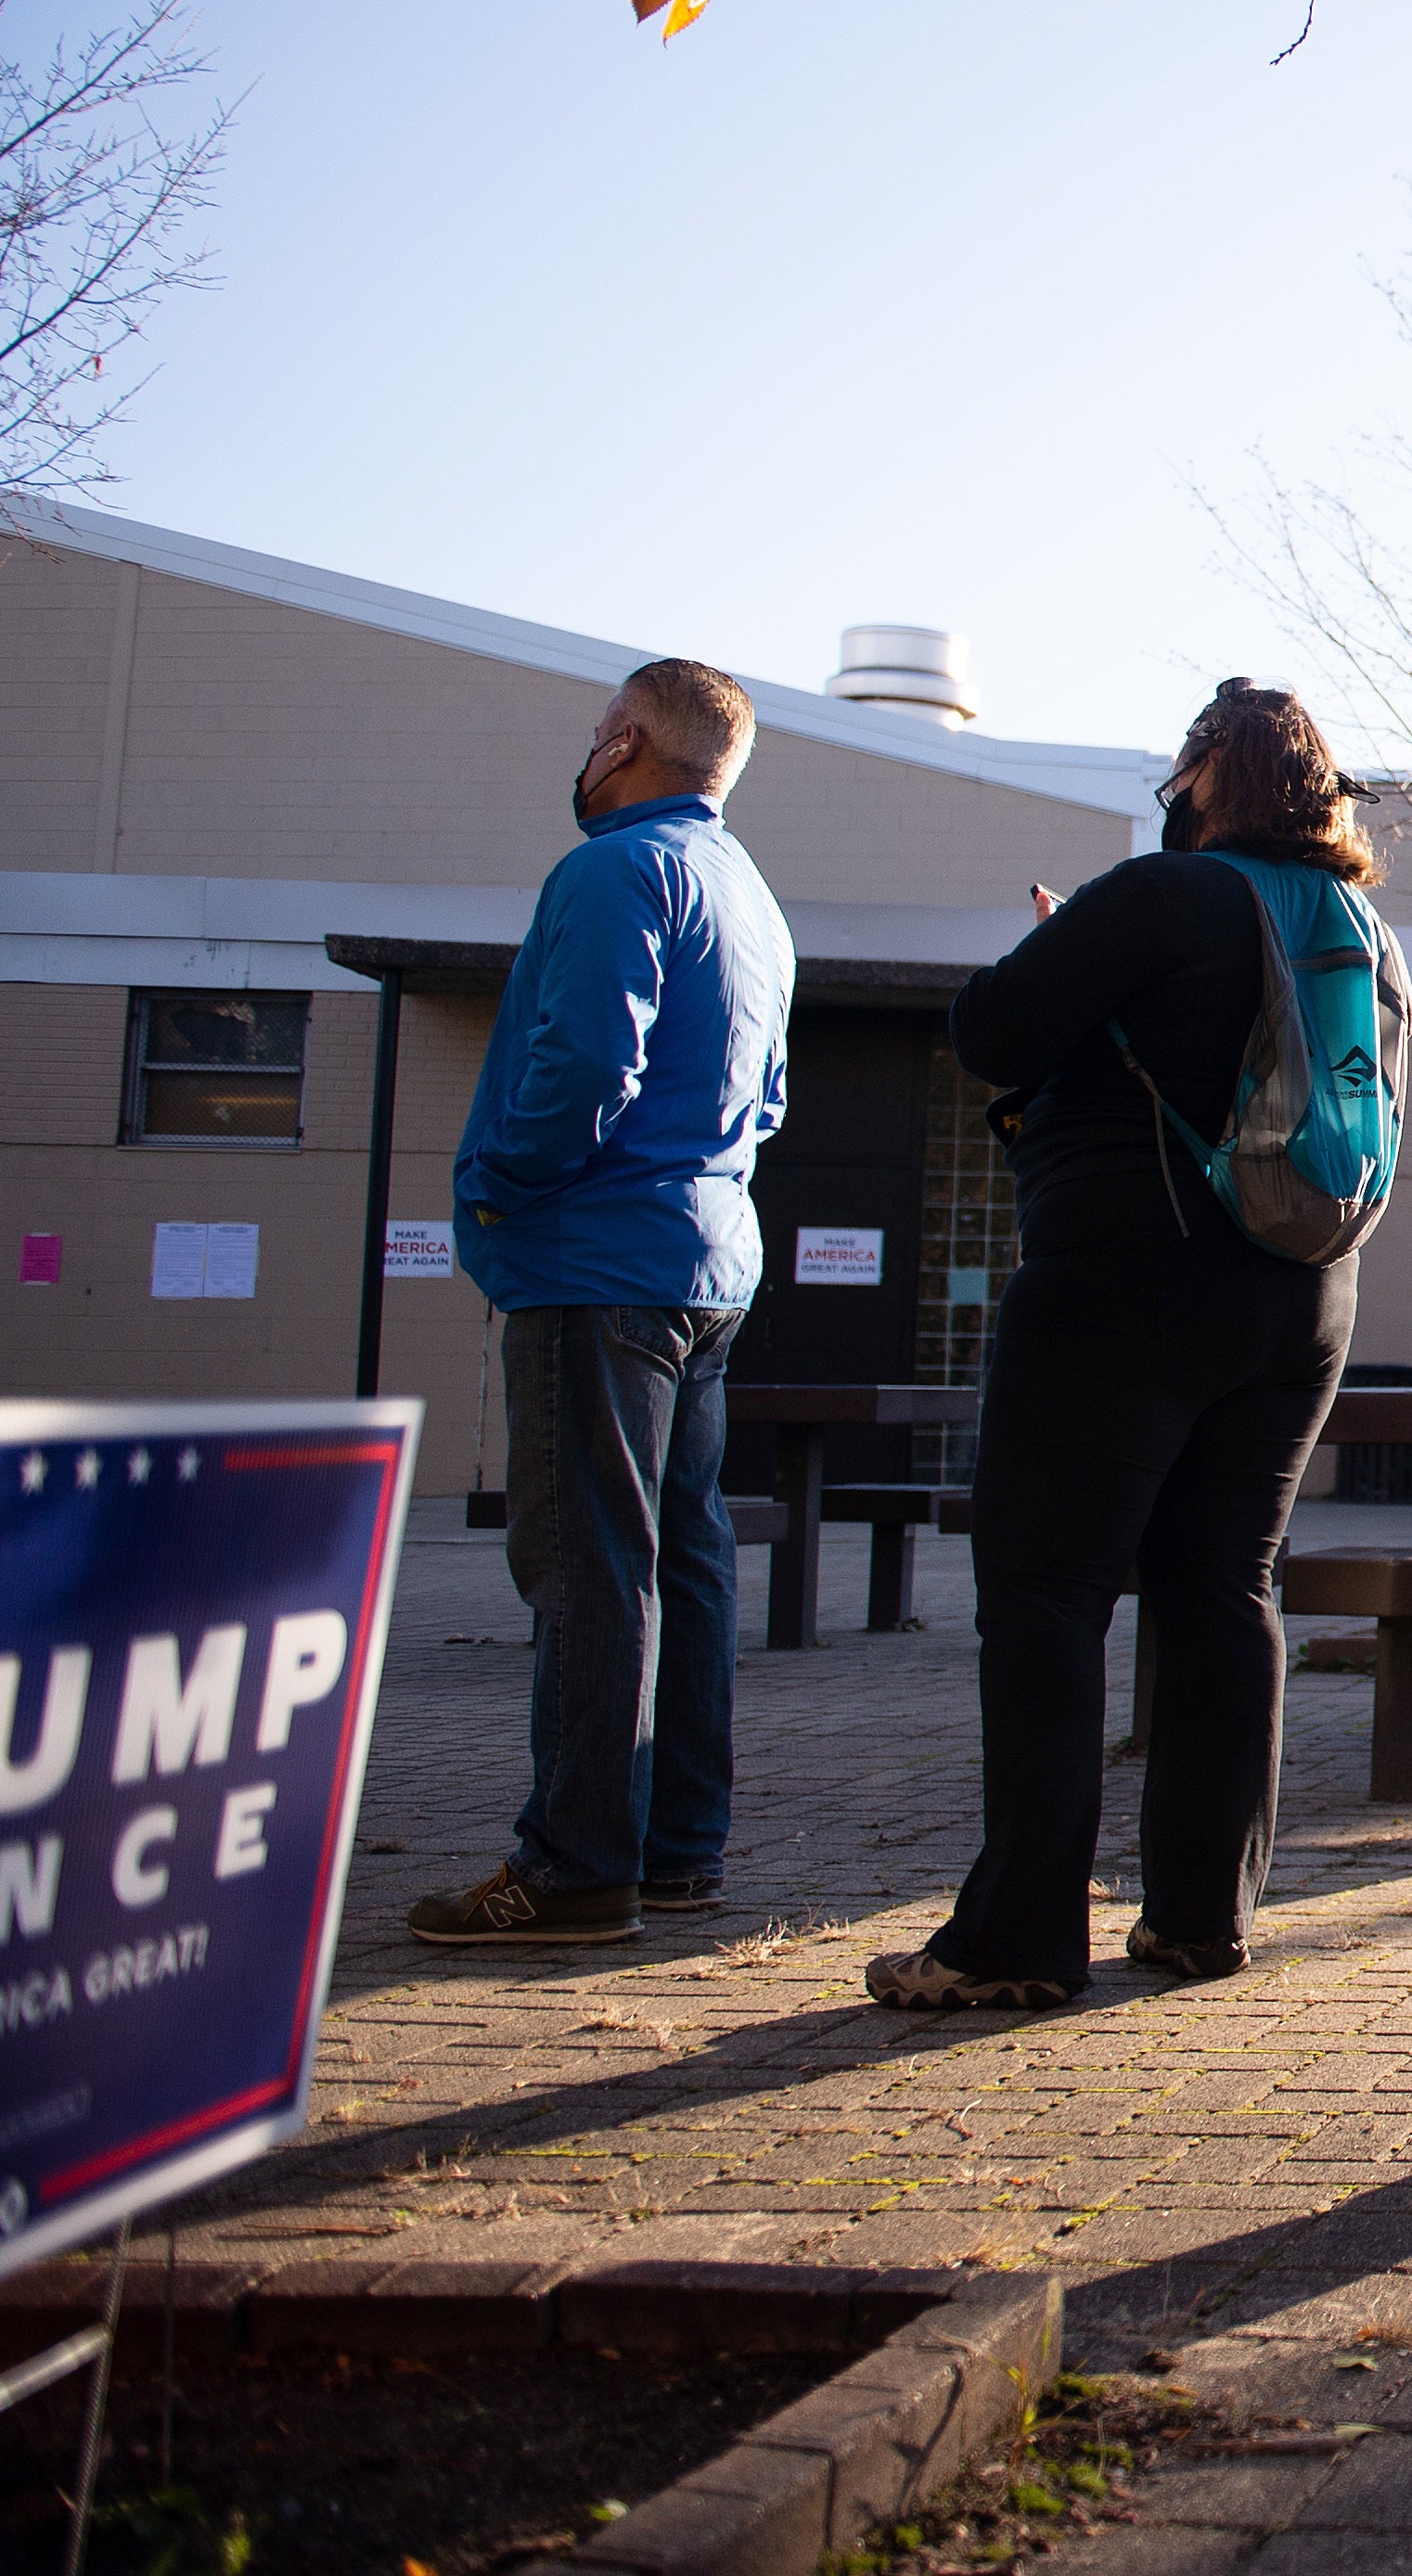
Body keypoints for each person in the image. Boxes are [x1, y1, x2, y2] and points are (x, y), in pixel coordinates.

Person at [866, 679, 1395, 2008]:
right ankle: (1201, 1918)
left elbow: (991, 1030)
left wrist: (1073, 952)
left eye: (1182, 763)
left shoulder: (1164, 896)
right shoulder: (1363, 930)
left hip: (1124, 1279)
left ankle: (1014, 1942)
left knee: (1047, 1593)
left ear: (1212, 768)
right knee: (1225, 1585)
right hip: (1303, 1294)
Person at [413, 660, 796, 1947]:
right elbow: (772, 1098)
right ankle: (676, 1849)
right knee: (684, 1559)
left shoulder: (611, 871)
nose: (587, 757)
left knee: (589, 1565)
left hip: (595, 1260)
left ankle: (574, 1868)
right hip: (707, 1263)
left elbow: (582, 1061)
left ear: (627, 741)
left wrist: (505, 1187)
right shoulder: (751, 897)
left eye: (595, 736)